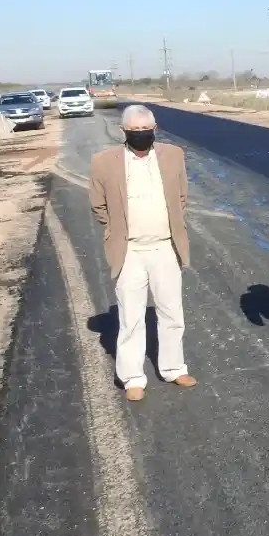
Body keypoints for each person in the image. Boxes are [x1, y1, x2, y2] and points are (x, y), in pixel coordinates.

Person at [89, 105, 195, 401]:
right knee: (131, 316)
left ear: (155, 129)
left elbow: (181, 196)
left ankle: (174, 368)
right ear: (123, 131)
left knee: (171, 312)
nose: (140, 135)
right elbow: (98, 206)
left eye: (145, 129)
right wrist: (115, 231)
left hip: (165, 247)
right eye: (134, 130)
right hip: (130, 250)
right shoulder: (103, 162)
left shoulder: (173, 155)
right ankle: (132, 378)